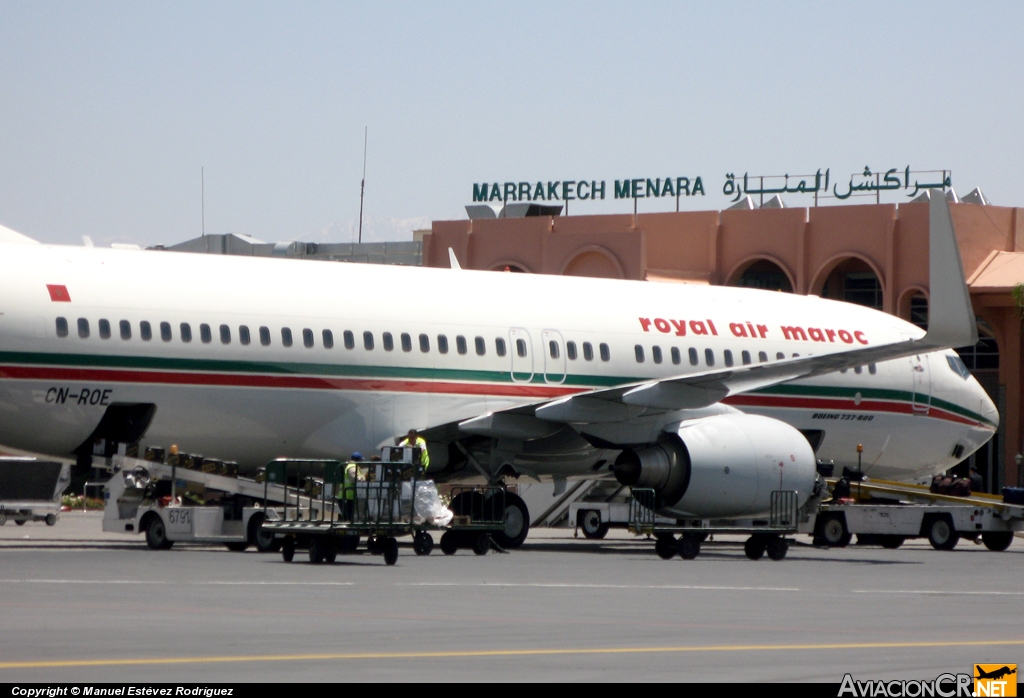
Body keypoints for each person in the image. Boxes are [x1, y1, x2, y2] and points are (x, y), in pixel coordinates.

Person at [338, 452, 362, 520]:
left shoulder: (351, 466)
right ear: (359, 460)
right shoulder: (352, 467)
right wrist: (363, 479)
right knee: (349, 518)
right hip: (347, 497)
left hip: (346, 496)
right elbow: (354, 479)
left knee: (347, 518)